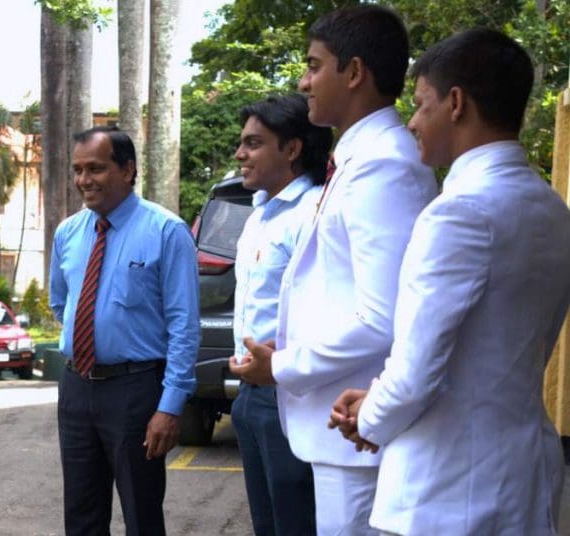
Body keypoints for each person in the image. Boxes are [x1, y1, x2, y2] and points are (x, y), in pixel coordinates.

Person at [328, 28, 570, 535]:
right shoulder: (552, 209)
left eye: (421, 104)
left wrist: (368, 418)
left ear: (456, 103)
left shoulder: (458, 213)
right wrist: (376, 403)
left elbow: (416, 372)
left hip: (446, 491)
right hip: (525, 477)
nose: (412, 121)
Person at [231, 6, 437, 534]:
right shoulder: (357, 160)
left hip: (355, 432)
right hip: (340, 429)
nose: (304, 82)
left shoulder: (383, 164)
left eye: (313, 65)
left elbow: (382, 317)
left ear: (354, 72)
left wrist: (283, 365)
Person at [49, 126, 199, 535]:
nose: (84, 180)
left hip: (136, 391)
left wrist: (169, 407)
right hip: (77, 388)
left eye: (96, 168)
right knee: (81, 514)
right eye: (78, 170)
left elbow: (184, 326)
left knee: (141, 512)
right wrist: (91, 336)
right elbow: (62, 303)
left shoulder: (166, 231)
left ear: (128, 170)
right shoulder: (68, 233)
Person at [227, 94, 332, 535]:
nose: (240, 154)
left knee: (296, 523)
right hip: (250, 395)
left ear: (291, 149)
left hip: (289, 393)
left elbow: (325, 307)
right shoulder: (260, 216)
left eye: (253, 143)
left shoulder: (314, 214)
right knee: (267, 524)